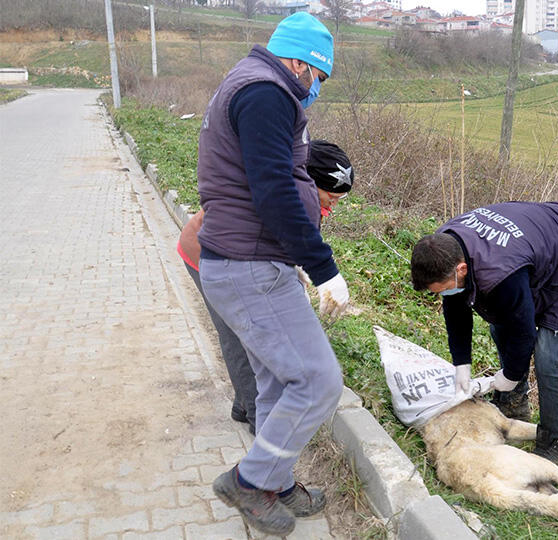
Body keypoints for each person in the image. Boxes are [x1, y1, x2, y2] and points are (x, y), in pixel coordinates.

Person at [195, 13, 347, 536]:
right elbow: (274, 190)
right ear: (302, 63)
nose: (317, 89)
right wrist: (321, 266)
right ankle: (249, 479)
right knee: (319, 380)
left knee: (278, 381)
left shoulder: (255, 84)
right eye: (319, 78)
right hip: (248, 265)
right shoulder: (265, 94)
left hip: (252, 260)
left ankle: (275, 483)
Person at [176, 140, 355, 437]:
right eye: (331, 197)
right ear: (311, 182)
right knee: (238, 335)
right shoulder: (279, 194)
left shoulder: (302, 193)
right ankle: (261, 424)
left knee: (250, 333)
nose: (333, 206)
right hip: (205, 255)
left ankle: (243, 404)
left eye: (339, 200)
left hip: (237, 256)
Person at [410, 202, 558, 468]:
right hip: (534, 245)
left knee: (549, 351)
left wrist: (509, 376)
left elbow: (523, 332)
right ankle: (514, 402)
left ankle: (556, 443)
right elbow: (455, 309)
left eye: (439, 289)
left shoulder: (499, 273)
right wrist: (461, 364)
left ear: (461, 270)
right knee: (500, 320)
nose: (439, 296)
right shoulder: (444, 247)